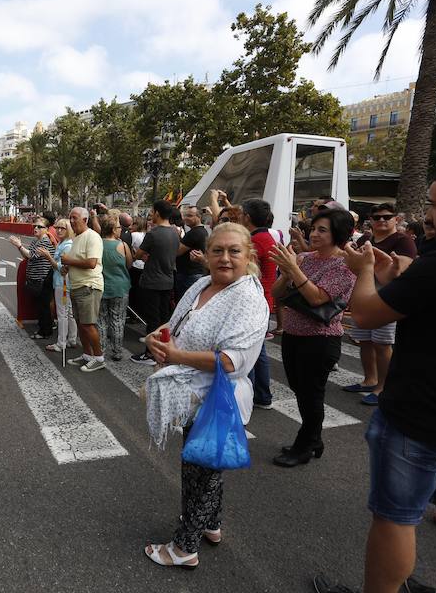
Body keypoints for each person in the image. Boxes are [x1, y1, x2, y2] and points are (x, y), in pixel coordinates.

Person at [317, 163, 436, 593]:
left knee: (397, 518)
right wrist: (393, 279)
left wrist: (363, 271)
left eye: (435, 205)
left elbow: (364, 313)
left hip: (422, 415)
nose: (429, 216)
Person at [143, 222, 269, 569]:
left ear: (248, 255)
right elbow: (174, 327)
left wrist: (175, 356)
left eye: (234, 251)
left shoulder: (247, 297)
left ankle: (184, 547)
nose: (225, 258)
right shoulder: (200, 284)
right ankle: (210, 523)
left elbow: (232, 360)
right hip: (190, 393)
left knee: (200, 472)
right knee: (203, 465)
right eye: (218, 250)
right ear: (206, 254)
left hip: (219, 397)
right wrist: (154, 338)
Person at [269, 208, 357, 467]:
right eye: (314, 228)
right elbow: (276, 292)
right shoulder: (305, 257)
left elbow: (318, 298)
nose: (314, 234)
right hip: (293, 335)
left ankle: (305, 444)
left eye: (322, 230)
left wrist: (294, 269)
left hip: (320, 339)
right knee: (300, 389)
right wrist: (287, 270)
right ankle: (313, 438)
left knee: (311, 394)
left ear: (338, 234)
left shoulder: (345, 264)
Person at [343, 203, 417, 406]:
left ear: (396, 219)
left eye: (387, 217)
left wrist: (380, 267)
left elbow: (404, 268)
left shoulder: (404, 240)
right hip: (365, 296)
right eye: (377, 217)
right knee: (365, 341)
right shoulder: (367, 238)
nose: (382, 220)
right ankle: (370, 380)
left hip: (388, 299)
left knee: (382, 344)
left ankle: (384, 387)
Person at [132, 200, 179, 365]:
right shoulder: (175, 232)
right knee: (163, 317)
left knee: (152, 319)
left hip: (152, 281)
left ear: (158, 213)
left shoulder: (153, 233)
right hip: (168, 280)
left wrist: (144, 256)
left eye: (152, 211)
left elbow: (138, 254)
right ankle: (163, 347)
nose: (151, 214)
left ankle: (150, 354)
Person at [241, 199, 277, 410]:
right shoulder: (265, 237)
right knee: (258, 349)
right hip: (263, 298)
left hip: (255, 300)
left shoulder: (257, 240)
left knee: (251, 351)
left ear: (247, 216)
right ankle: (261, 395)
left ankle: (255, 393)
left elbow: (242, 268)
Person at [61, 207, 106, 373]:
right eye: (70, 218)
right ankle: (87, 354)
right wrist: (67, 267)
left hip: (89, 286)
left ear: (85, 220)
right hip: (77, 286)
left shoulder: (92, 236)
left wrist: (69, 261)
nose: (71, 221)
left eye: (75, 218)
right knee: (81, 324)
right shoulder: (77, 238)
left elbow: (92, 263)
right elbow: (75, 261)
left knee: (88, 324)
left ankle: (99, 358)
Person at [10, 218, 56, 339]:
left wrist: (19, 245)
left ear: (46, 229)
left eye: (39, 227)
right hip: (34, 279)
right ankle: (43, 328)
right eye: (34, 226)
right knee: (40, 305)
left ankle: (45, 331)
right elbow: (27, 256)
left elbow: (31, 255)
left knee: (43, 306)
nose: (35, 228)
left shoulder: (45, 242)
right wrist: (19, 248)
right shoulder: (36, 241)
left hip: (43, 279)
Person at [36, 218, 77, 353]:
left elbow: (62, 268)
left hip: (63, 283)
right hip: (62, 282)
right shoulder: (63, 243)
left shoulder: (67, 245)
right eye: (57, 227)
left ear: (68, 230)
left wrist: (48, 256)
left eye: (62, 228)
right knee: (68, 312)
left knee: (62, 313)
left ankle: (61, 343)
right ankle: (71, 339)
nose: (58, 230)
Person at [97, 215, 131, 361]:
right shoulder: (122, 245)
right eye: (118, 227)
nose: (121, 230)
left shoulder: (97, 244)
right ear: (112, 229)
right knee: (117, 320)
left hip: (101, 286)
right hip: (120, 287)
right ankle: (117, 351)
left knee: (101, 320)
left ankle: (101, 350)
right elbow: (129, 264)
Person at [175, 206, 208, 301]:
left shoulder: (194, 233)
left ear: (198, 217)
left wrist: (176, 237)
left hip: (189, 274)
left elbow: (177, 251)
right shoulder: (201, 231)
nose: (185, 218)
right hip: (194, 273)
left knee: (185, 302)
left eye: (189, 215)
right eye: (185, 215)